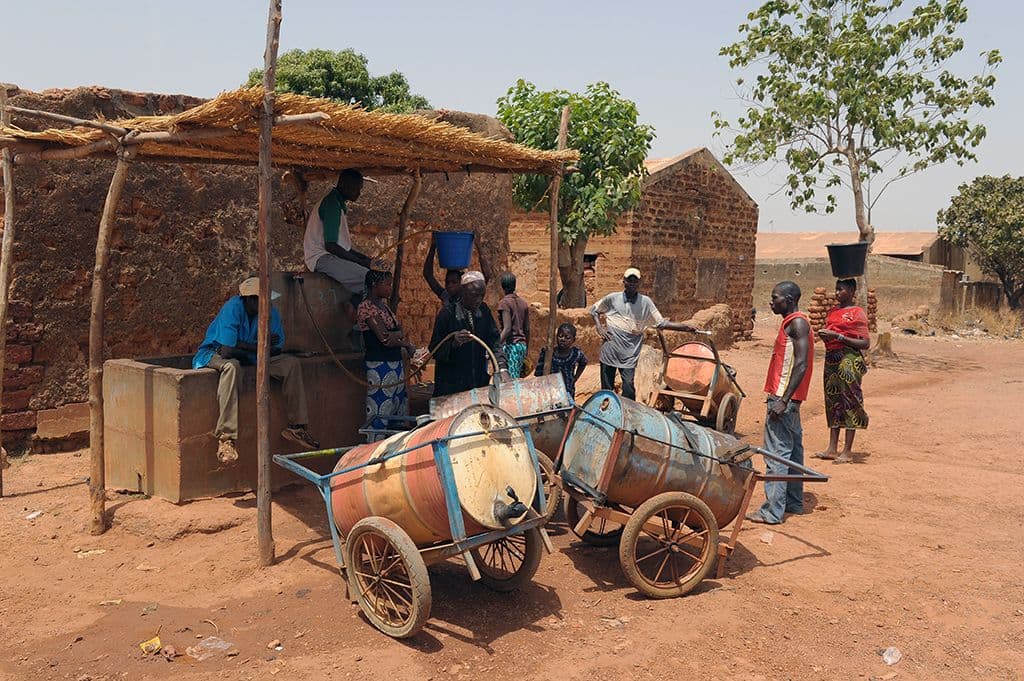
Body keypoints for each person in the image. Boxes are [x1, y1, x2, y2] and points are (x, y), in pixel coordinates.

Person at [193, 276, 319, 464]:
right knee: (232, 367)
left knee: (291, 364)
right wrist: (260, 344)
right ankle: (227, 438)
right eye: (261, 299)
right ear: (249, 300)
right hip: (215, 353)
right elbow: (227, 352)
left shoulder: (270, 312)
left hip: (253, 357)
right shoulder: (232, 308)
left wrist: (244, 345)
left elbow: (277, 348)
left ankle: (296, 427)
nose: (266, 304)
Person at [747, 281, 814, 525]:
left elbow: (801, 363)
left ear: (789, 299)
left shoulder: (797, 323)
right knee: (793, 453)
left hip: (782, 398)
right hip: (790, 399)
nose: (771, 302)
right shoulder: (794, 323)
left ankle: (772, 512)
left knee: (776, 454)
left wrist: (783, 400)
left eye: (775, 298)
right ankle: (793, 503)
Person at [590, 267, 696, 401]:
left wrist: (685, 327)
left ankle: (629, 410)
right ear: (624, 281)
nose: (632, 283)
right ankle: (606, 410)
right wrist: (599, 327)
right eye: (629, 280)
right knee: (606, 388)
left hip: (629, 352)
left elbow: (661, 323)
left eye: (635, 281)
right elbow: (594, 310)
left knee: (628, 385)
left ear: (639, 283)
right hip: (610, 350)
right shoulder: (612, 298)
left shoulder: (645, 302)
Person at [814, 278, 870, 463]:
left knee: (850, 400)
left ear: (852, 291)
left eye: (841, 289)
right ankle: (832, 448)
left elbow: (865, 343)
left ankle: (847, 450)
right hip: (832, 357)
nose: (837, 292)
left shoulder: (857, 313)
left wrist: (838, 336)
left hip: (849, 359)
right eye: (836, 289)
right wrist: (826, 337)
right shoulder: (833, 312)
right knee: (833, 400)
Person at [358, 268, 417, 441]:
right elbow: (385, 338)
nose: (390, 288)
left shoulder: (384, 307)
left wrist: (395, 335)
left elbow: (396, 333)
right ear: (374, 285)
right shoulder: (366, 307)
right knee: (379, 412)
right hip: (380, 367)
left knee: (396, 413)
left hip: (395, 365)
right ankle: (375, 451)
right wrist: (404, 342)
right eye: (387, 284)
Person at [429, 271, 510, 397]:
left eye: (482, 295)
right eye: (474, 295)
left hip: (477, 383)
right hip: (451, 387)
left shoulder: (484, 311)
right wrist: (454, 343)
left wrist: (502, 368)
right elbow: (434, 349)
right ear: (463, 292)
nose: (479, 300)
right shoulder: (447, 314)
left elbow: (494, 342)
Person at [303, 169, 372, 302]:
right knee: (369, 280)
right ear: (344, 185)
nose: (359, 193)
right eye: (356, 189)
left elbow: (344, 248)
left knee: (372, 277)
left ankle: (354, 308)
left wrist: (364, 259)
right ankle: (357, 311)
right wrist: (360, 262)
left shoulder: (337, 203)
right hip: (321, 257)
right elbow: (331, 246)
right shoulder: (332, 204)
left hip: (330, 256)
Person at [423, 235, 490, 306]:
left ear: (462, 283)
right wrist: (433, 246)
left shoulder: (469, 297)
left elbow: (486, 275)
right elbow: (428, 275)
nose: (449, 285)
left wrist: (478, 246)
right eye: (447, 282)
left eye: (454, 282)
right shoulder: (446, 296)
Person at [534, 322, 588, 399]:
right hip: (551, 393)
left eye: (567, 337)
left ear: (573, 340)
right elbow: (538, 374)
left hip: (568, 392)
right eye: (560, 336)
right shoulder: (548, 353)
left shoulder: (575, 353)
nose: (563, 339)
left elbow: (584, 362)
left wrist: (575, 378)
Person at [497, 272, 530, 378]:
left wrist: (495, 345)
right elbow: (527, 329)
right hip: (521, 346)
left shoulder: (504, 303)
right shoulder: (523, 303)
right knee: (515, 377)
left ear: (502, 286)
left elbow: (507, 328)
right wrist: (526, 348)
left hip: (511, 346)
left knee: (510, 380)